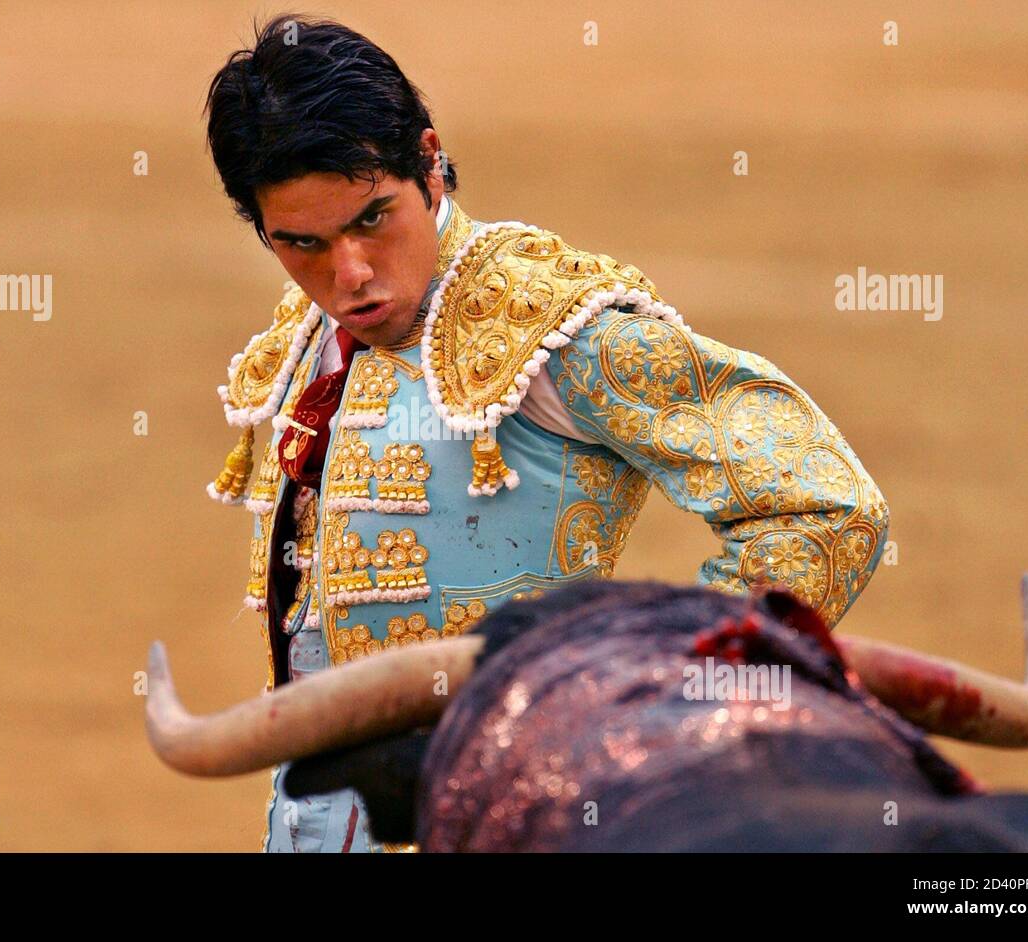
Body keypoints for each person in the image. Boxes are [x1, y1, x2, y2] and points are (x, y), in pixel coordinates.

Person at [201, 14, 889, 852]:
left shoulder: (556, 329)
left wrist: (643, 703)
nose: (348, 275)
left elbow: (824, 505)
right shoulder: (307, 338)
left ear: (429, 161)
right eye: (301, 243)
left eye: (374, 219)